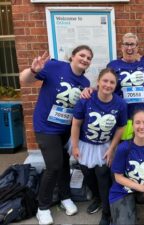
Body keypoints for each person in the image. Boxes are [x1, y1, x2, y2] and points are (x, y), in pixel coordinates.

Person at [19, 45, 93, 225]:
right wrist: (32, 70)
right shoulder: (54, 67)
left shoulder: (85, 83)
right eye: (82, 55)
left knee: (63, 163)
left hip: (65, 129)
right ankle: (42, 207)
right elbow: (24, 79)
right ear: (72, 57)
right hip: (45, 127)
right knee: (53, 165)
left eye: (88, 58)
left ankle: (65, 197)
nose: (85, 59)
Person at [70, 68, 127, 225]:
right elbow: (76, 124)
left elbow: (121, 127)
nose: (108, 85)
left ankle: (106, 213)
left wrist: (112, 148)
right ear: (98, 82)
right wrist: (75, 147)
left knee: (103, 178)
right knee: (88, 175)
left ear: (115, 86)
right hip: (84, 144)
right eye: (105, 81)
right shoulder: (86, 100)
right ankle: (97, 198)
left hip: (104, 146)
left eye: (112, 82)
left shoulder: (120, 104)